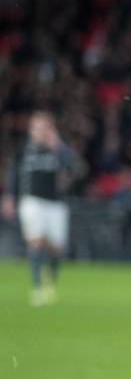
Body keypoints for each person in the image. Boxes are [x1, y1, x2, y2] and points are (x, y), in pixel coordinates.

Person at [2, 110, 83, 306]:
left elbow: (76, 167)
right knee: (36, 242)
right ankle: (37, 286)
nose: (41, 131)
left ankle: (50, 280)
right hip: (32, 202)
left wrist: (58, 146)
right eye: (37, 127)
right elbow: (14, 172)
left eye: (45, 127)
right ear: (31, 129)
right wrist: (8, 196)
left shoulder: (58, 150)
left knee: (57, 249)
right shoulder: (24, 149)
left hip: (56, 204)